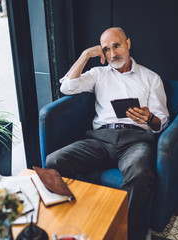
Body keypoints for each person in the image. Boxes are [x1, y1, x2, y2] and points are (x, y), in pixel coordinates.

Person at [46, 27, 169, 240]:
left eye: (117, 46)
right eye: (106, 49)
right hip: (100, 140)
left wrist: (149, 118)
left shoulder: (151, 78)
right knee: (54, 160)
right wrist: (85, 55)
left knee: (139, 171)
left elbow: (162, 122)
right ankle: (70, 221)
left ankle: (127, 232)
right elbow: (67, 87)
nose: (113, 54)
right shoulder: (98, 74)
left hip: (135, 141)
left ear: (128, 43)